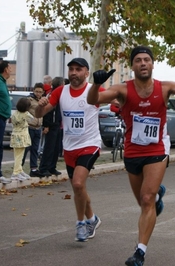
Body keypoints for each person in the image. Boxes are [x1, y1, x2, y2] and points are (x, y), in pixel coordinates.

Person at [86, 45, 175, 266]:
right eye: (138, 60)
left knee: (147, 199)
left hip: (156, 150)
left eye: (146, 60)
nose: (142, 63)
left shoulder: (165, 87)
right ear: (132, 65)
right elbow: (93, 100)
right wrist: (96, 84)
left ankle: (140, 252)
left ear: (152, 64)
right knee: (143, 202)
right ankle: (157, 193)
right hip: (132, 151)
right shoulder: (122, 90)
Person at [35, 58, 108, 242]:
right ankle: (93, 218)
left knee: (77, 183)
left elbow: (119, 101)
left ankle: (80, 223)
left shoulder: (95, 90)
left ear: (86, 72)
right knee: (79, 188)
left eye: (78, 69)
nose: (74, 73)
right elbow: (39, 114)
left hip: (90, 144)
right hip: (69, 147)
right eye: (71, 69)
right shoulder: (61, 91)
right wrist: (40, 106)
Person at [37, 77, 64, 176]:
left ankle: (52, 167)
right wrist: (46, 125)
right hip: (51, 124)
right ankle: (44, 168)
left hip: (57, 123)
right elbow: (47, 112)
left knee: (56, 148)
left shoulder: (60, 95)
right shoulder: (51, 95)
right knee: (49, 147)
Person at [22, 83, 44, 177]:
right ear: (33, 91)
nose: (38, 93)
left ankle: (34, 169)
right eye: (36, 91)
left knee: (35, 149)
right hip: (29, 127)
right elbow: (24, 112)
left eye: (40, 92)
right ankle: (19, 168)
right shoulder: (29, 100)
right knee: (26, 149)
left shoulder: (43, 101)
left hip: (38, 127)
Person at [10, 97, 33, 181]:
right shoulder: (26, 114)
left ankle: (19, 170)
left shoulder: (15, 113)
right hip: (22, 136)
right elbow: (32, 119)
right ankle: (16, 172)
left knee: (17, 154)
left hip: (15, 134)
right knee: (20, 156)